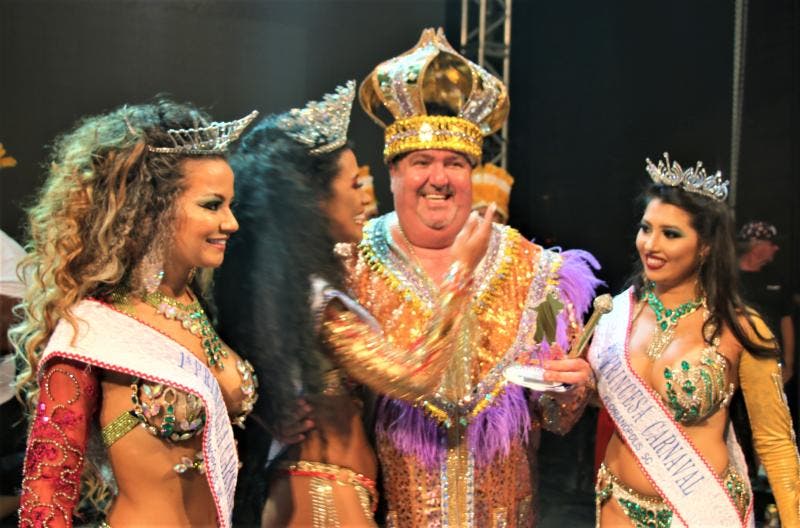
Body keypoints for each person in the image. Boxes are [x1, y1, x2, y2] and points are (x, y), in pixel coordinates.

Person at [348, 28, 602, 527]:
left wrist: (572, 386)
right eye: (421, 162)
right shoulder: (351, 265)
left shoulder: (539, 273)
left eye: (455, 163)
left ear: (472, 173)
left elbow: (555, 416)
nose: (439, 178)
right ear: (393, 173)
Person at [214, 81, 491, 527]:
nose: (366, 195)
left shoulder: (289, 288)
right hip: (322, 498)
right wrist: (461, 271)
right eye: (354, 183)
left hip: (324, 490)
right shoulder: (317, 303)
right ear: (312, 199)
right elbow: (416, 375)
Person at [11, 100, 257, 527]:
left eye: (230, 205)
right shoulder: (91, 330)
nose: (231, 222)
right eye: (212, 205)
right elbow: (46, 495)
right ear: (150, 209)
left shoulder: (193, 306)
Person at [589, 153, 799, 527]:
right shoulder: (615, 313)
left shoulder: (742, 327)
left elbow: (775, 442)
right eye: (646, 228)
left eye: (670, 234)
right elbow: (589, 401)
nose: (650, 244)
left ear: (705, 246)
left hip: (700, 511)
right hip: (616, 508)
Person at [737, 221, 795, 383]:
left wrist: (788, 363)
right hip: (738, 362)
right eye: (772, 243)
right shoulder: (728, 278)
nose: (776, 248)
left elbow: (786, 319)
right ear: (756, 246)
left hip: (771, 361)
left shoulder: (776, 277)